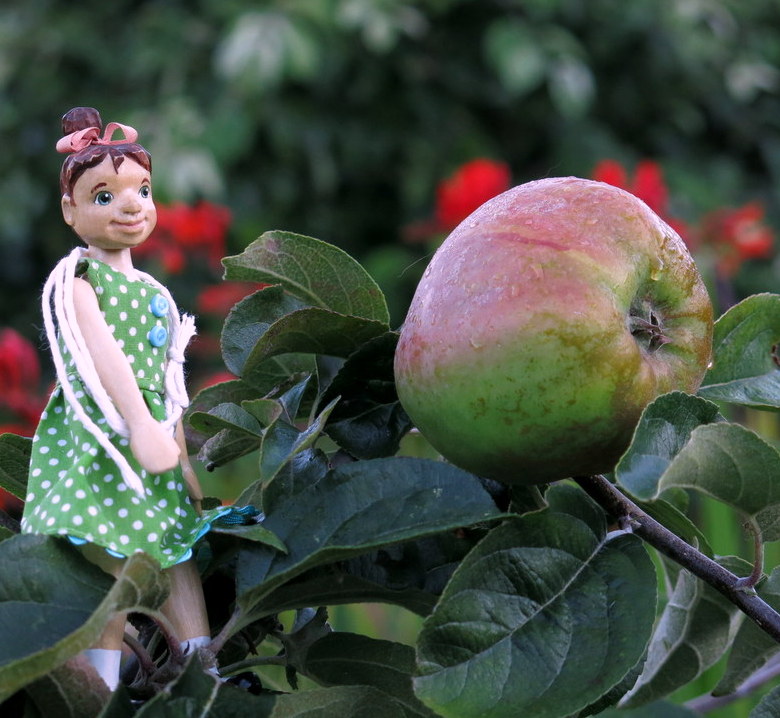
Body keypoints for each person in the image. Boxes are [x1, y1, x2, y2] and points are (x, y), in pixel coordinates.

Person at [20, 107, 236, 690]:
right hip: (107, 434)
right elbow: (104, 360)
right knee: (112, 559)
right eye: (104, 196)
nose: (132, 206)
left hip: (154, 436)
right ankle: (102, 682)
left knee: (176, 548)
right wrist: (138, 424)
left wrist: (179, 452)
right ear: (71, 211)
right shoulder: (80, 285)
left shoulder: (153, 292)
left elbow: (170, 381)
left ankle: (202, 662)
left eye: (142, 190)